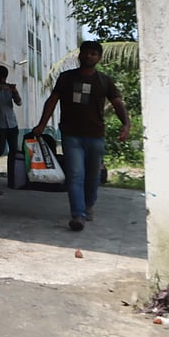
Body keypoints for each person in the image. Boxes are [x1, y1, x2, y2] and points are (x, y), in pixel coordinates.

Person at [29, 40, 130, 231]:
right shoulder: (66, 78)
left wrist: (126, 124)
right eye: (86, 53)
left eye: (94, 54)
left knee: (92, 176)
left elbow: (117, 103)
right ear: (80, 55)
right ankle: (78, 215)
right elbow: (52, 101)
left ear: (99, 58)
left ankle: (88, 205)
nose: (89, 56)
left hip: (96, 136)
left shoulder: (104, 81)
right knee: (75, 175)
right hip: (71, 135)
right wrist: (42, 124)